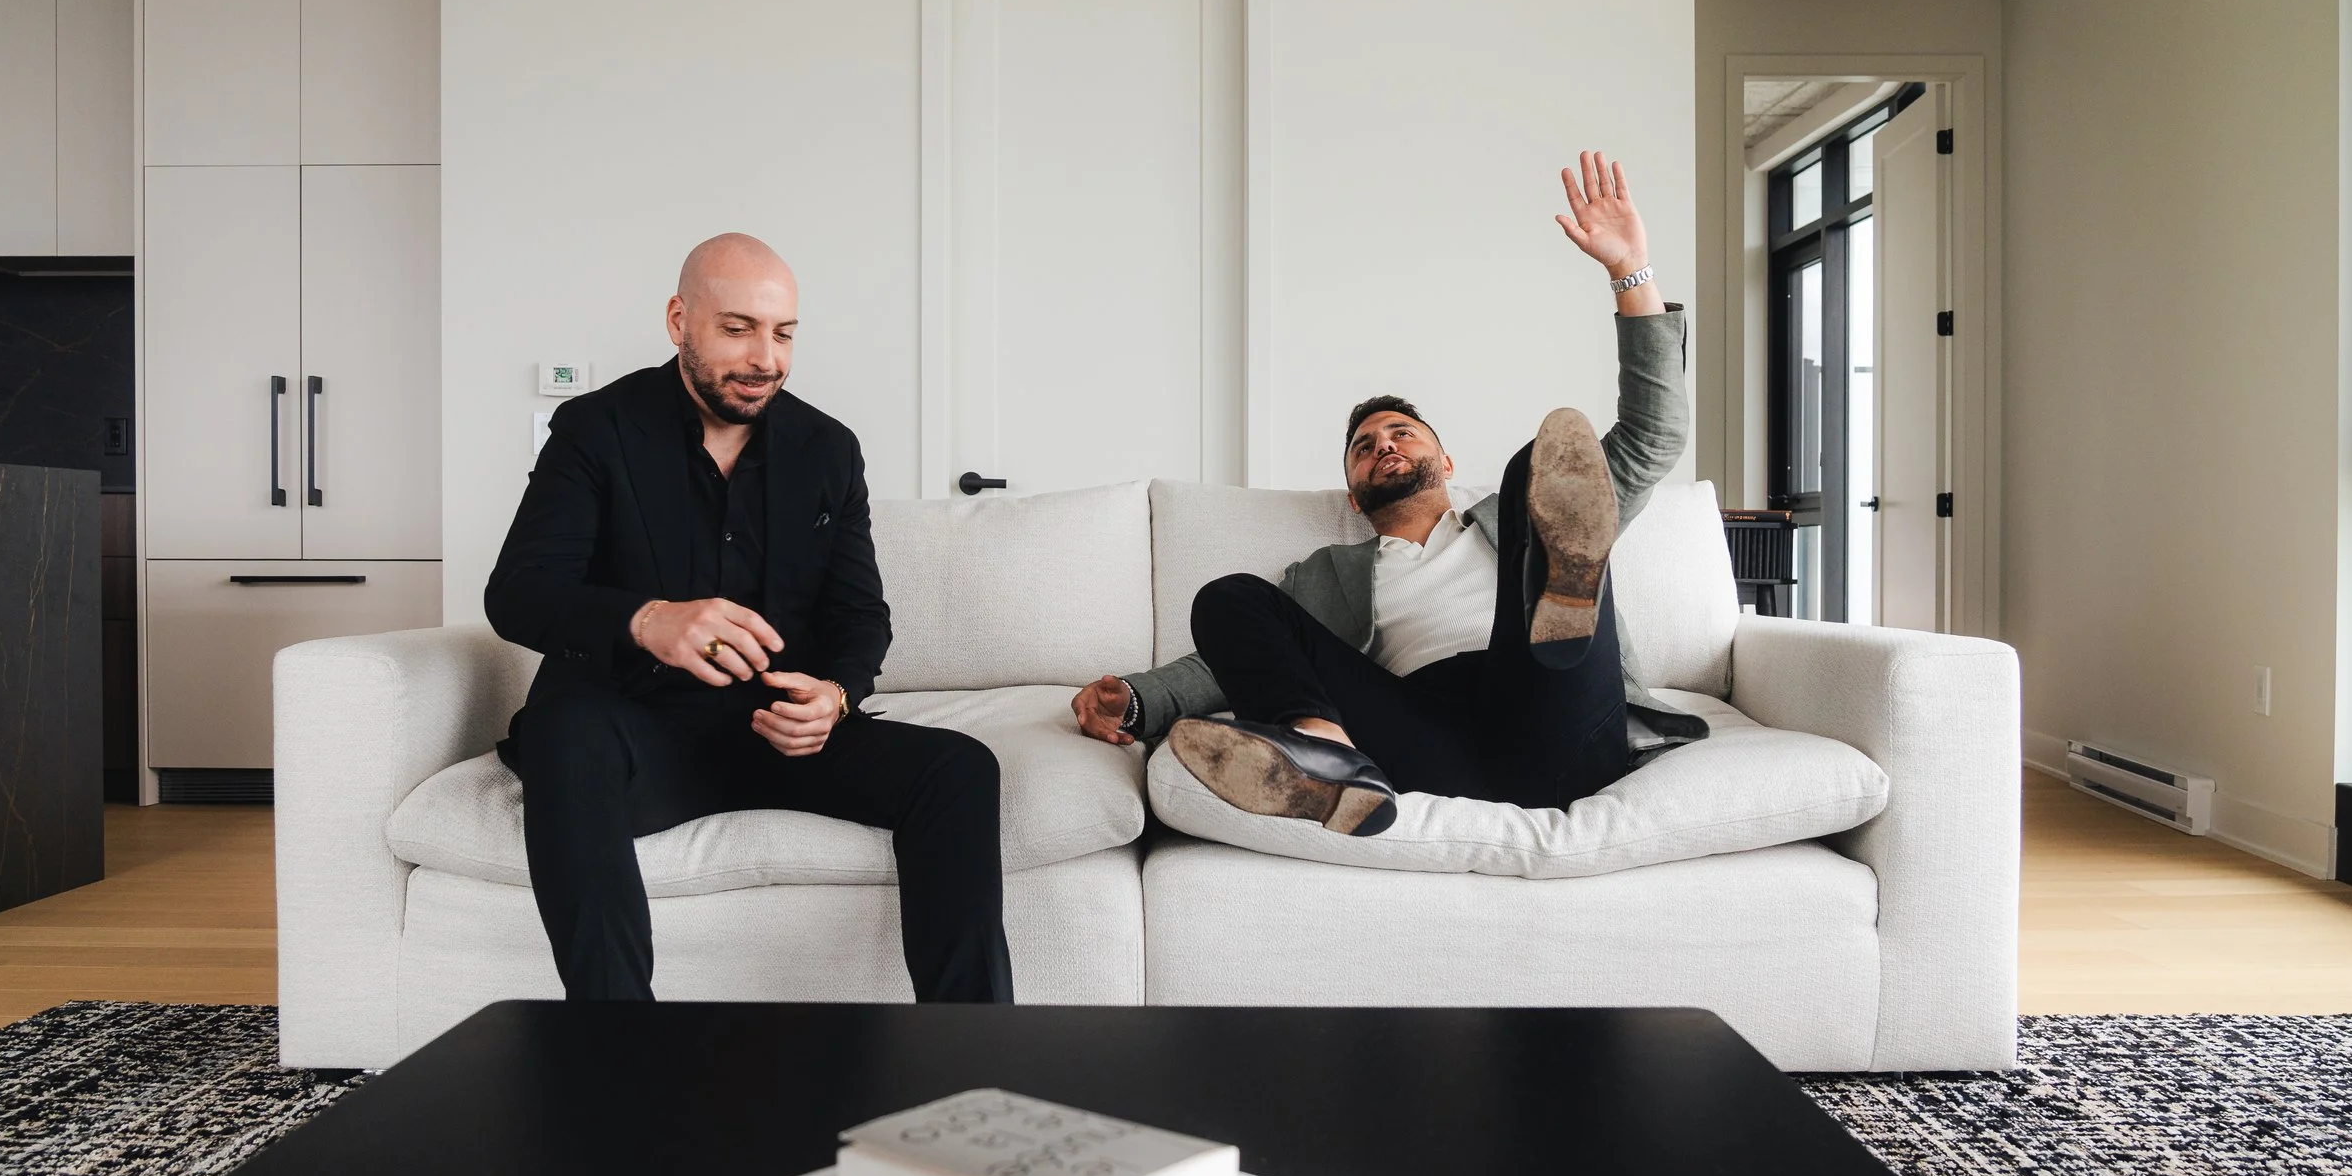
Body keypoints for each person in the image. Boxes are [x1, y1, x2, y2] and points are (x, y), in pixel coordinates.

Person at [1070, 152, 1702, 833]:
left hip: (1562, 719)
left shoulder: (1524, 512)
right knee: (1227, 597)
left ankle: (1562, 591)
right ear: (1352, 495)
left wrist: (1630, 270)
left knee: (1536, 467)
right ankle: (1325, 756)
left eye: (1402, 433)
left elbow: (1654, 434)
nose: (1384, 446)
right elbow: (1228, 662)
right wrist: (1135, 698)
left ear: (1446, 461)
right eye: (1364, 448)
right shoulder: (1327, 578)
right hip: (1435, 743)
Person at [485, 234, 1014, 1002]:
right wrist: (648, 619)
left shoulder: (830, 450)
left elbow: (860, 614)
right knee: (563, 732)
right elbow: (519, 592)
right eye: (738, 329)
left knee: (960, 767)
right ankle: (614, 1046)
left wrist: (836, 695)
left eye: (783, 333)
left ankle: (974, 1047)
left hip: (776, 733)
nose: (766, 357)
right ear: (680, 320)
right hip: (632, 736)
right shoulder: (596, 429)